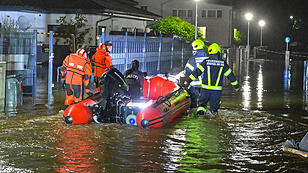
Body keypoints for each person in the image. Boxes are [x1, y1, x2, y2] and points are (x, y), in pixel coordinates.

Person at [182, 43, 239, 116]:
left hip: (205, 90)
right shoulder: (223, 63)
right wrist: (236, 86)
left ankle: (200, 117)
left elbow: (197, 73)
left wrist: (187, 81)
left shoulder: (206, 62)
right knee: (214, 110)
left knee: (201, 106)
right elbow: (231, 76)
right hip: (216, 91)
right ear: (218, 51)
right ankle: (213, 119)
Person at [182, 39, 208, 108]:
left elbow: (187, 72)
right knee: (203, 106)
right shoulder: (208, 59)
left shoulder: (192, 60)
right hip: (206, 87)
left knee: (194, 105)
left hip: (195, 86)